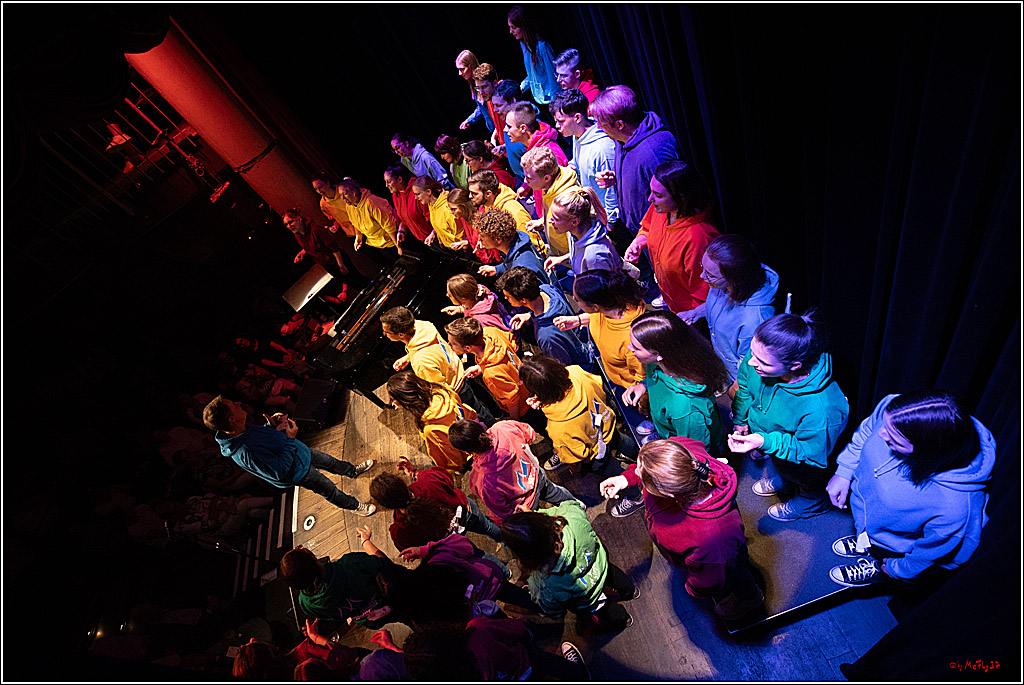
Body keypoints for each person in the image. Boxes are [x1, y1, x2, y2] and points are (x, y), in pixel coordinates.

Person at [825, 391, 996, 587]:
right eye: (885, 425)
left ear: (928, 452)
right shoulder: (896, 412)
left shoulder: (955, 506)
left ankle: (875, 565)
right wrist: (844, 471)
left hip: (893, 548)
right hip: (866, 519)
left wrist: (898, 569)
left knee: (884, 562)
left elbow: (929, 555)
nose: (881, 434)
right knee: (867, 538)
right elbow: (868, 430)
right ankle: (864, 541)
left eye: (894, 440)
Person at [599, 437, 765, 621]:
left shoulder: (711, 538)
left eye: (641, 472)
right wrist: (627, 478)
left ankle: (751, 598)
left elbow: (710, 579)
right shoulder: (682, 453)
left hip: (720, 564)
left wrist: (694, 588)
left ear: (669, 494)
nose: (636, 471)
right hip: (711, 559)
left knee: (736, 577)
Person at [727, 310, 850, 521]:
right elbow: (745, 387)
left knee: (806, 479)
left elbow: (809, 454)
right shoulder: (761, 355)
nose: (750, 362)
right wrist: (740, 419)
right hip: (774, 444)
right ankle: (785, 480)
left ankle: (810, 504)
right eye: (752, 353)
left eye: (762, 362)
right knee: (784, 467)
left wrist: (763, 441)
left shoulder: (821, 408)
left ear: (794, 365)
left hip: (804, 462)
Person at [203, 396, 376, 515]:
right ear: (232, 419)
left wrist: (270, 426)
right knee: (330, 490)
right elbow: (279, 471)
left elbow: (265, 444)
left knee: (330, 462)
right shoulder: (244, 451)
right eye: (234, 405)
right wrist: (290, 438)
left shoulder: (243, 430)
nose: (239, 403)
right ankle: (354, 506)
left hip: (298, 452)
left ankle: (352, 471)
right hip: (298, 471)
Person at [501, 500, 637, 629]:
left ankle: (624, 619)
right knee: (615, 577)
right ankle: (631, 591)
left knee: (605, 611)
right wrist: (533, 516)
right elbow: (572, 505)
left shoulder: (541, 584)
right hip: (600, 565)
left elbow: (555, 610)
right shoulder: (572, 518)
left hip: (587, 599)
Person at [590, 85, 681, 257]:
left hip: (660, 236)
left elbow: (676, 199)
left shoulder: (655, 152)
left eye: (601, 124)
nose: (599, 128)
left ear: (619, 124)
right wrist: (616, 177)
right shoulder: (621, 139)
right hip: (642, 232)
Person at [623, 311, 730, 454]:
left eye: (636, 347)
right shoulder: (665, 361)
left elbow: (696, 451)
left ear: (658, 354)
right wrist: (644, 384)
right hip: (672, 429)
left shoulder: (686, 409)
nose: (629, 348)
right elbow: (657, 377)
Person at [684, 235, 780, 390]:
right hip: (724, 366)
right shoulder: (721, 284)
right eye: (703, 269)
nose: (702, 277)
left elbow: (747, 365)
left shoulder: (755, 319)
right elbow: (719, 304)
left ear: (735, 278)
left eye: (710, 275)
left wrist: (736, 391)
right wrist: (693, 313)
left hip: (738, 380)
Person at [625, 161, 720, 313]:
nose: (650, 199)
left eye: (658, 195)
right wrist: (637, 242)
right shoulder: (661, 209)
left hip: (688, 313)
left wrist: (691, 319)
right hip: (671, 301)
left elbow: (703, 295)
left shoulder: (699, 238)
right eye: (652, 191)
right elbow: (647, 228)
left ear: (681, 197)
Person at [449, 418, 579, 524]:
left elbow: (501, 510)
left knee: (542, 521)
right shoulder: (502, 427)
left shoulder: (482, 479)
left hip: (525, 503)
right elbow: (530, 434)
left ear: (466, 451)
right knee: (555, 492)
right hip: (536, 474)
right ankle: (576, 506)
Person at [381, 305, 495, 425]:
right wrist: (408, 357)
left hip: (456, 388)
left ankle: (495, 428)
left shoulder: (422, 362)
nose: (384, 334)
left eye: (386, 332)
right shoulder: (422, 325)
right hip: (459, 370)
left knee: (479, 414)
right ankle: (499, 414)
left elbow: (441, 389)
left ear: (400, 335)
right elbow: (428, 348)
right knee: (484, 400)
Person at [400, 616, 590, 681]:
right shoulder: (477, 630)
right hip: (527, 660)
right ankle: (580, 674)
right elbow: (517, 630)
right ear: (438, 633)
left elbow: (429, 659)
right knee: (552, 664)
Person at [369, 460, 501, 549]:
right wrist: (415, 473)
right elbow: (447, 478)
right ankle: (509, 542)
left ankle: (506, 574)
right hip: (465, 512)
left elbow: (413, 548)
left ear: (386, 506)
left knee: (475, 554)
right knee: (488, 527)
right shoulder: (427, 481)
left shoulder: (399, 532)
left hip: (449, 540)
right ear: (402, 483)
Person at [519, 355, 619, 473]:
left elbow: (576, 458)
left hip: (596, 453)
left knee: (614, 471)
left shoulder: (557, 428)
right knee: (626, 444)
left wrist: (574, 471)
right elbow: (599, 387)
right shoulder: (576, 371)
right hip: (608, 423)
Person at [555, 268, 647, 390]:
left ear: (594, 307)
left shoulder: (632, 340)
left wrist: (641, 396)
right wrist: (578, 320)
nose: (573, 299)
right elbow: (599, 317)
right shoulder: (611, 306)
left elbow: (643, 376)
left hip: (629, 387)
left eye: (577, 299)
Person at [385, 370, 478, 472]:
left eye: (394, 399)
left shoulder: (430, 427)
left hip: (468, 453)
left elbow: (449, 452)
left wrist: (457, 467)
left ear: (406, 399)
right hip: (474, 428)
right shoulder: (440, 390)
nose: (393, 404)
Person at [496, 266, 589, 368]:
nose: (506, 298)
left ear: (523, 300)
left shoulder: (546, 335)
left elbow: (564, 367)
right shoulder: (547, 290)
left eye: (508, 297)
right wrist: (529, 316)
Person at [280, 546, 395, 627]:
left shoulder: (306, 604)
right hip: (391, 599)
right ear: (313, 557)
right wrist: (366, 542)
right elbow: (384, 564)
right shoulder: (348, 563)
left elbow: (335, 616)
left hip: (369, 619)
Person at [550, 88, 618, 224]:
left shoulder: (601, 149)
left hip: (607, 219)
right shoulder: (577, 135)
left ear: (577, 118)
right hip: (593, 212)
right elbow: (578, 161)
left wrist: (610, 224)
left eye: (561, 121)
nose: (557, 126)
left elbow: (612, 194)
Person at [445, 316, 530, 420]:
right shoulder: (490, 332)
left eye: (452, 344)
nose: (449, 346)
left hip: (523, 407)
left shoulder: (491, 374)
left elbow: (511, 399)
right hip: (527, 383)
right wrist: (481, 367)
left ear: (468, 348)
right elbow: (510, 341)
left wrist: (515, 420)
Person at [232, 619, 362, 680]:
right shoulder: (305, 651)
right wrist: (316, 638)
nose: (252, 639)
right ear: (266, 653)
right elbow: (346, 656)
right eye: (252, 644)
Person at [545, 186, 625, 280]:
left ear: (575, 222)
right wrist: (563, 258)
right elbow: (580, 253)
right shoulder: (573, 232)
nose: (550, 221)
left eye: (556, 218)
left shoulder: (595, 257)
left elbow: (604, 291)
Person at [518, 145, 579, 258]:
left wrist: (564, 259)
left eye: (529, 178)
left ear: (546, 178)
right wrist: (542, 222)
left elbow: (582, 239)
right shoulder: (550, 186)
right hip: (561, 253)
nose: (525, 181)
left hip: (573, 258)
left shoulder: (568, 199)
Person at [467, 169, 538, 254]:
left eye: (474, 193)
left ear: (488, 194)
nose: (470, 196)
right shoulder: (489, 206)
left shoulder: (514, 211)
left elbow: (534, 246)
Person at [338, 176, 401, 262]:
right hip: (378, 245)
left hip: (393, 242)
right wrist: (358, 237)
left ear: (354, 192)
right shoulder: (350, 206)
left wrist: (398, 246)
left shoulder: (371, 203)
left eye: (345, 194)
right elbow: (356, 222)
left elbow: (390, 226)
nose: (343, 198)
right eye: (340, 195)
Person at [472, 206, 545, 279]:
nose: (479, 239)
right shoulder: (517, 242)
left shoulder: (523, 269)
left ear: (498, 239)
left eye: (482, 236)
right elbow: (511, 263)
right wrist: (497, 269)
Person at [507, 5, 559, 105]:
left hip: (551, 99)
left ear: (524, 26)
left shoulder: (542, 47)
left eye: (514, 27)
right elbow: (533, 74)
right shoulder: (523, 45)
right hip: (540, 99)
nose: (511, 31)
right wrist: (521, 87)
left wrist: (555, 104)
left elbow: (553, 77)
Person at [281, 208, 353, 280]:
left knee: (356, 279)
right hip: (327, 264)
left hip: (336, 260)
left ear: (299, 219)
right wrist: (302, 253)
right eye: (286, 224)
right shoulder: (298, 235)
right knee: (346, 281)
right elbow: (312, 245)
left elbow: (334, 247)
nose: (289, 226)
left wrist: (341, 265)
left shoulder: (315, 229)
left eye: (290, 222)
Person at [410, 175, 467, 252]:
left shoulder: (447, 208)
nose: (416, 198)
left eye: (418, 194)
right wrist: (433, 233)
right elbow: (441, 222)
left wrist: (465, 252)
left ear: (428, 192)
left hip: (459, 248)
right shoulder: (431, 204)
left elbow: (461, 233)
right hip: (448, 246)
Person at [441, 272, 512, 332]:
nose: (447, 295)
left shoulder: (480, 321)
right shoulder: (480, 291)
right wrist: (461, 309)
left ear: (463, 299)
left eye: (450, 295)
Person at [384, 163, 433, 247]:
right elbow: (404, 217)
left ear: (399, 179)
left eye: (389, 181)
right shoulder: (396, 196)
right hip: (422, 239)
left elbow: (432, 216)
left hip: (434, 237)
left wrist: (434, 234)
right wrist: (401, 230)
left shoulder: (417, 192)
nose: (386, 185)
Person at [446, 188, 501, 264]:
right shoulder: (463, 218)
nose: (451, 212)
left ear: (464, 207)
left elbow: (495, 243)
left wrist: (499, 263)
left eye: (453, 209)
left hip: (495, 260)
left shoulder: (482, 217)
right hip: (483, 258)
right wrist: (465, 242)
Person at [489, 79, 529, 183]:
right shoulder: (509, 120)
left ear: (512, 101)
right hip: (525, 181)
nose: (495, 110)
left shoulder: (528, 122)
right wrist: (505, 147)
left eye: (498, 105)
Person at [455, 50, 494, 133]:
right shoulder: (473, 84)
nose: (459, 73)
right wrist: (469, 120)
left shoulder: (484, 81)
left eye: (462, 69)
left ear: (470, 66)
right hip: (493, 128)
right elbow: (482, 106)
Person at [311, 170, 357, 237]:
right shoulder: (323, 204)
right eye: (316, 189)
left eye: (320, 187)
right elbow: (335, 218)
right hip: (352, 234)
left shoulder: (343, 191)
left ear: (327, 183)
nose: (319, 191)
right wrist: (335, 225)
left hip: (364, 227)